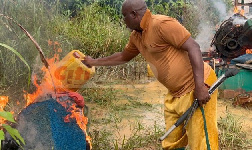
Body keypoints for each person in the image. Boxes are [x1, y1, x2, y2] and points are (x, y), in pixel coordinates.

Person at [83, 0, 218, 149]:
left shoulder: (162, 24)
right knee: (172, 140)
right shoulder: (136, 36)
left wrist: (200, 87)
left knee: (202, 141)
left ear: (134, 14)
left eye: (124, 16)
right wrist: (93, 61)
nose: (123, 20)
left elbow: (193, 47)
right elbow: (123, 56)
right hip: (175, 94)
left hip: (197, 86)